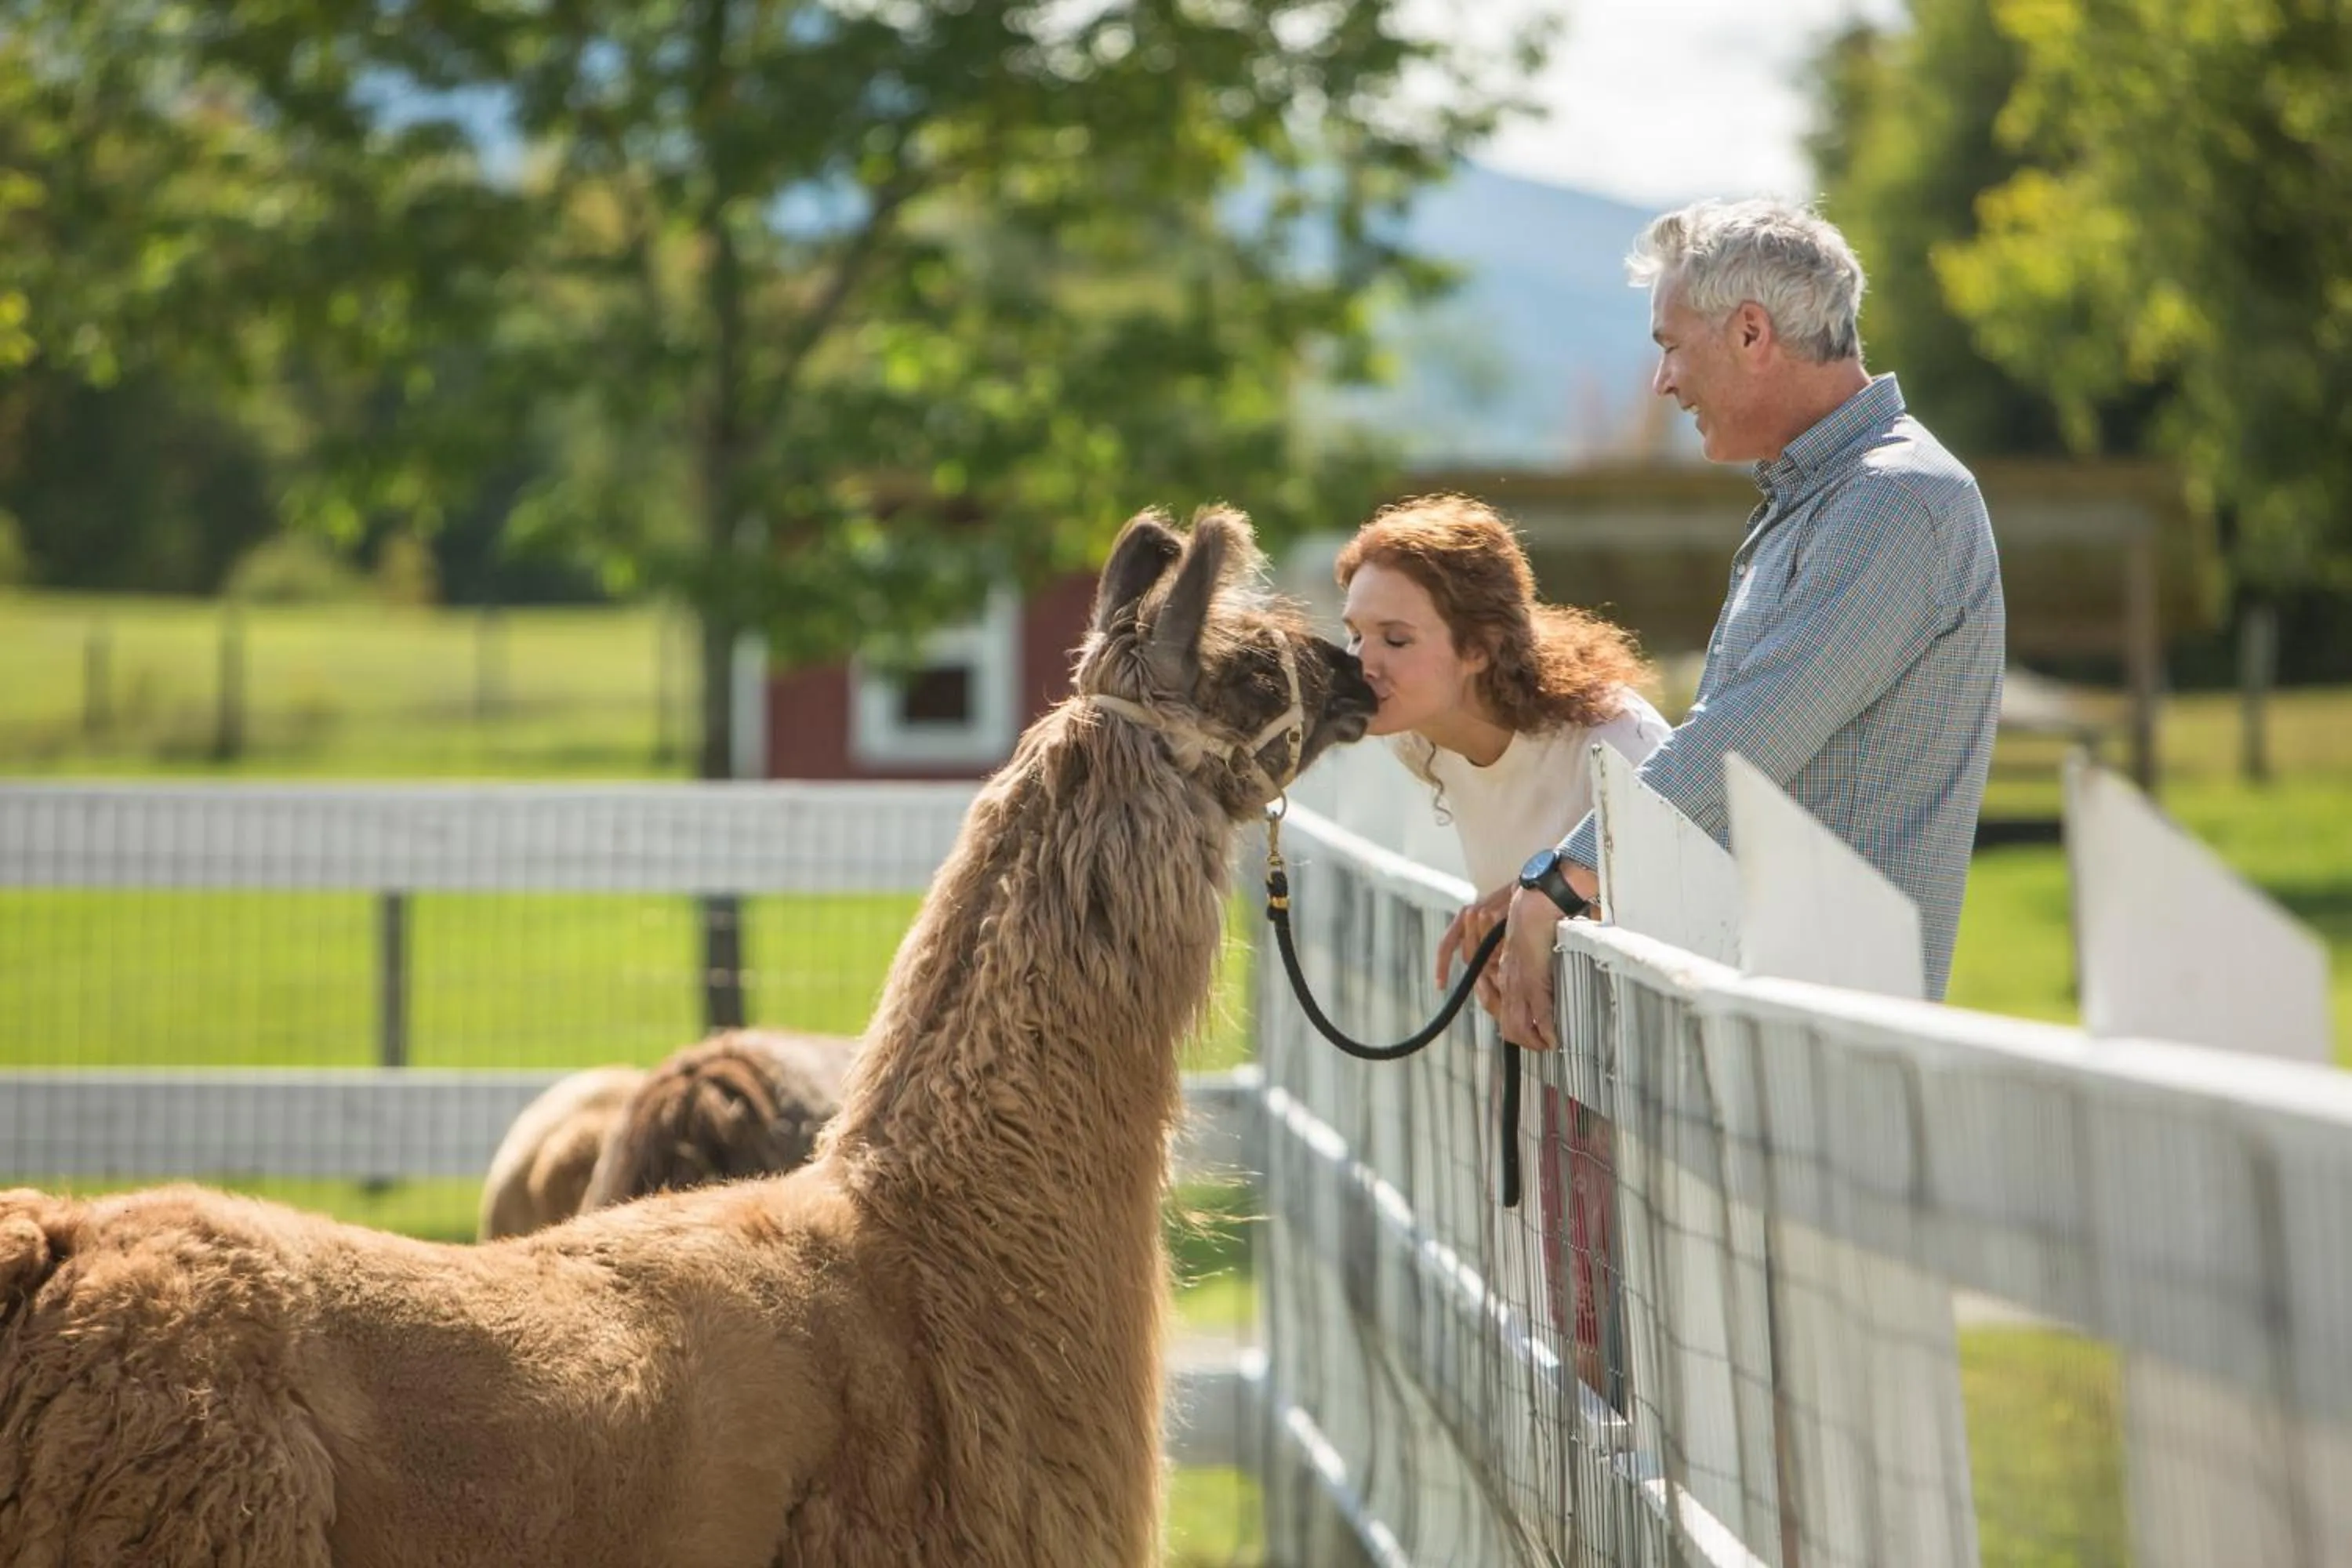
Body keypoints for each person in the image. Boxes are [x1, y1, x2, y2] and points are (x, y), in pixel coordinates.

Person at [1499, 197, 2006, 1048]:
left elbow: (1747, 740)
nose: (1662, 382)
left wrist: (1559, 880)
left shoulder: (1894, 500)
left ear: (1748, 333)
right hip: (1773, 1011)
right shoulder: (1828, 496)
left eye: (1669, 345)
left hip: (1834, 1035)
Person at [1337, 492, 1668, 1392]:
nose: (1363, 662)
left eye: (1396, 640)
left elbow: (1693, 910)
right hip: (1550, 1072)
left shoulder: (1614, 741)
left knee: (1651, 1364)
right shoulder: (1425, 746)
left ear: (1479, 645)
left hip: (1650, 1103)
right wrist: (1504, 904)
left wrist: (1547, 897)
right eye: (1357, 633)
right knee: (1569, 1353)